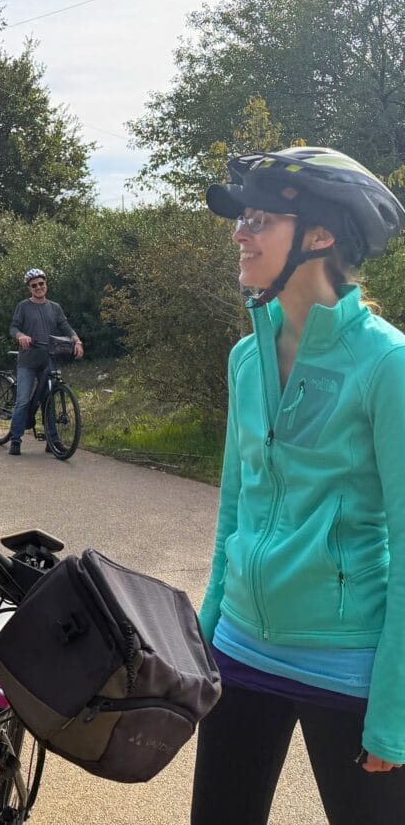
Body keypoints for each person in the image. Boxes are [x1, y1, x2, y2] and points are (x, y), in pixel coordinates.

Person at [191, 147, 405, 825]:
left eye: (259, 219)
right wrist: (204, 638)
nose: (239, 234)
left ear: (320, 235)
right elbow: (235, 508)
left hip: (347, 666)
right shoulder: (245, 355)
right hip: (240, 649)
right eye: (240, 219)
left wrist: (395, 712)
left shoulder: (387, 365)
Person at [7, 268, 83, 456]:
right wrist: (21, 336)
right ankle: (15, 440)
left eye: (41, 284)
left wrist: (77, 341)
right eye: (34, 285)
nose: (38, 287)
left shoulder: (55, 307)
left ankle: (52, 441)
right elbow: (13, 327)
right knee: (23, 401)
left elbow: (66, 326)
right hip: (28, 360)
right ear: (29, 288)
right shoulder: (23, 306)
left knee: (49, 401)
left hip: (49, 360)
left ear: (46, 284)